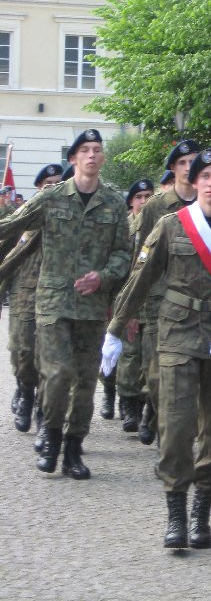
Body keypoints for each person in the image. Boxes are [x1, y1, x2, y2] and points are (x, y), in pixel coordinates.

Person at [103, 147, 211, 549]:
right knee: (177, 429)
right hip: (177, 339)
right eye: (206, 177)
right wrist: (114, 330)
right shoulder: (171, 226)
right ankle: (176, 513)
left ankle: (201, 513)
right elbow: (140, 279)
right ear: (194, 182)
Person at [0, 129, 131, 479]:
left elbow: (123, 254)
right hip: (54, 303)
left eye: (97, 150)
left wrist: (102, 277)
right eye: (84, 150)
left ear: (102, 158)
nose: (91, 155)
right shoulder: (52, 198)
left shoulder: (114, 204)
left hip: (91, 305)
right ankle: (52, 434)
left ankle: (74, 448)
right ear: (73, 159)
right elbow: (12, 225)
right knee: (58, 374)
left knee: (86, 382)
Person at [102, 141, 199, 443]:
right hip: (159, 303)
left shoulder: (209, 203)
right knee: (157, 377)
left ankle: (169, 443)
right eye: (182, 162)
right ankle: (154, 412)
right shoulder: (155, 208)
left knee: (186, 380)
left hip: (198, 305)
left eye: (193, 162)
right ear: (172, 168)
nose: (188, 167)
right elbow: (139, 264)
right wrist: (129, 312)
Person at [4, 164, 63, 435]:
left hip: (54, 297)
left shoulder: (66, 220)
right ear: (39, 189)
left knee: (50, 357)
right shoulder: (23, 217)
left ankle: (41, 408)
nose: (52, 187)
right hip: (23, 294)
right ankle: (25, 390)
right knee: (22, 351)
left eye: (57, 182)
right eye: (47, 183)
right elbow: (6, 257)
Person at [116, 179, 155, 433]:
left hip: (154, 302)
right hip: (130, 301)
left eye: (148, 196)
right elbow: (123, 271)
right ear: (131, 201)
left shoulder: (160, 225)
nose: (144, 201)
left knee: (151, 359)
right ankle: (128, 403)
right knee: (130, 356)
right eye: (139, 196)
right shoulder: (125, 229)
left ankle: (147, 408)